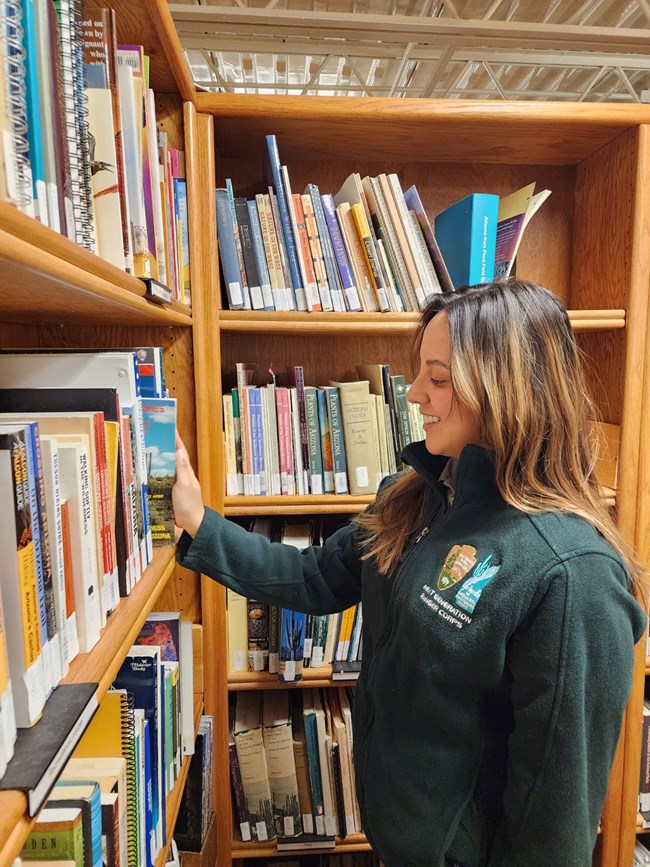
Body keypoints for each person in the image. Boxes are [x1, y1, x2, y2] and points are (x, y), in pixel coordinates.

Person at [172, 278, 646, 867]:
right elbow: (314, 576)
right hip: (395, 839)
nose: (415, 392)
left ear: (508, 392)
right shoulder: (415, 496)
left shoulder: (573, 575)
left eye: (439, 378)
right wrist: (198, 523)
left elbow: (555, 817)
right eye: (420, 371)